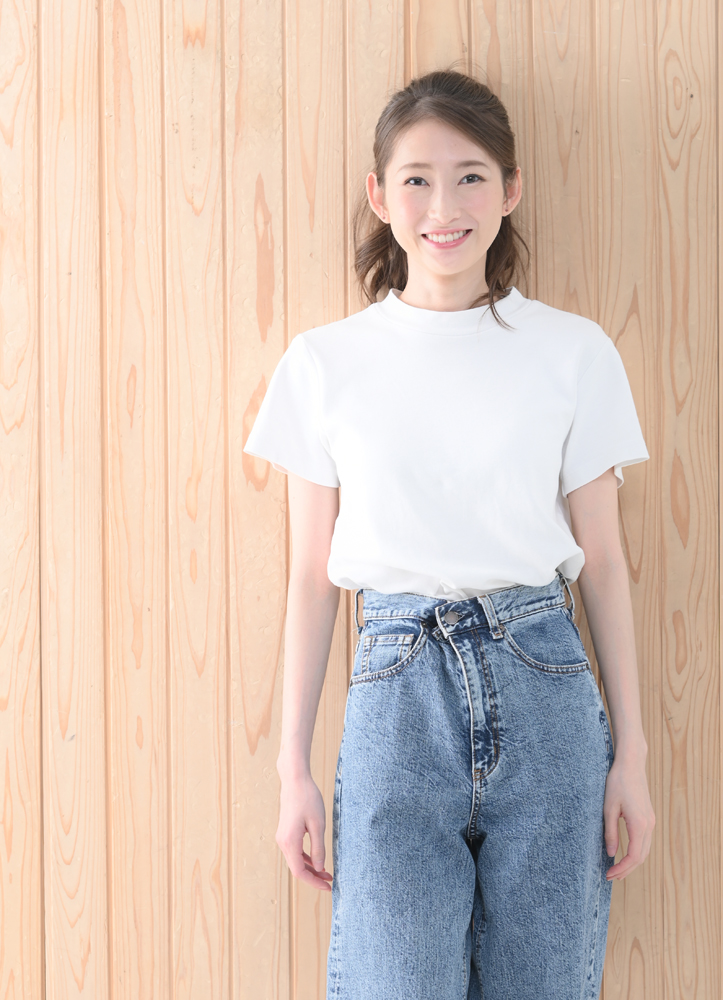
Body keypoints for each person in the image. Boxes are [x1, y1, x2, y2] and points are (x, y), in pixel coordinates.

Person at [243, 69, 655, 1000]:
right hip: (394, 696)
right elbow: (310, 578)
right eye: (417, 179)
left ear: (510, 191)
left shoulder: (573, 351)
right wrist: (292, 770)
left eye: (470, 177)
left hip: (544, 683)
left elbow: (605, 565)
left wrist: (629, 756)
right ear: (378, 194)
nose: (443, 206)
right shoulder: (324, 363)